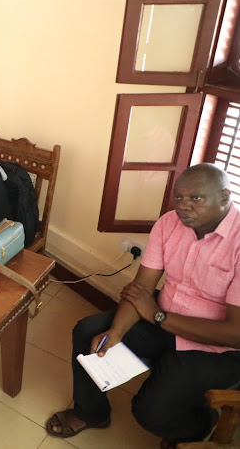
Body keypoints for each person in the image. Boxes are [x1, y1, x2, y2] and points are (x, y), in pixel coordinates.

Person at [47, 164, 240, 448]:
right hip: (161, 319)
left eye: (195, 198)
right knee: (89, 331)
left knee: (149, 413)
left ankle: (198, 426)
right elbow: (142, 289)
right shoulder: (168, 223)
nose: (183, 207)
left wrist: (157, 315)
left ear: (224, 197)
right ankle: (91, 412)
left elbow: (234, 333)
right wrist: (116, 331)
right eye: (178, 198)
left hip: (216, 348)